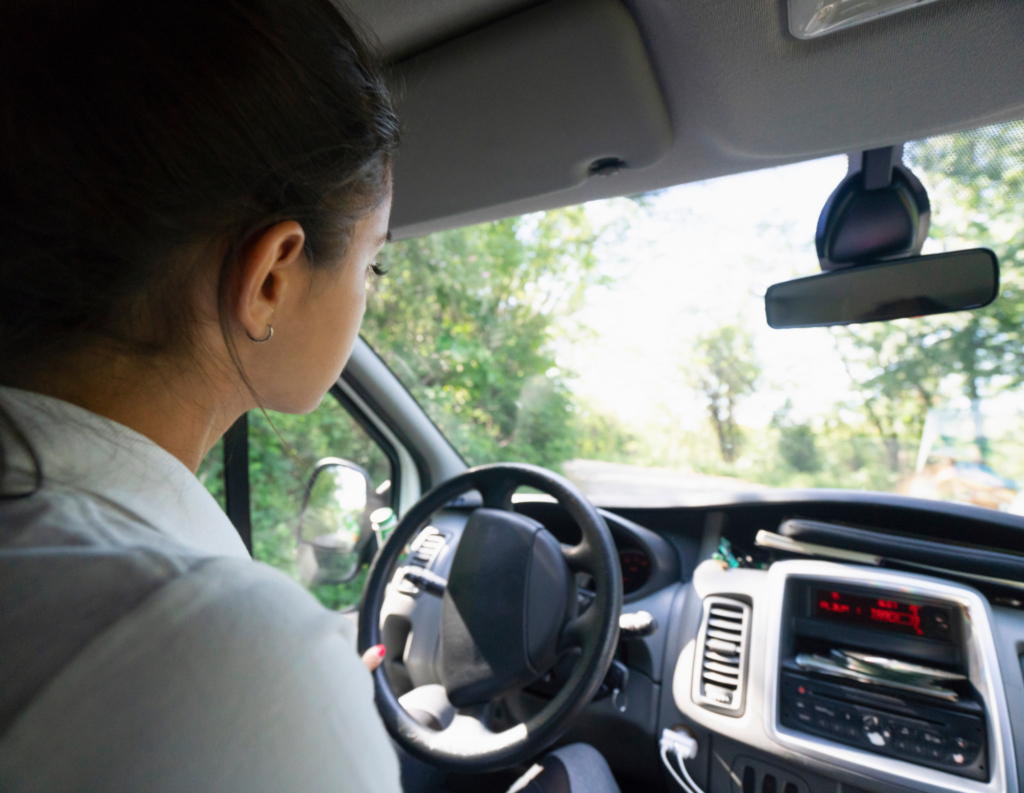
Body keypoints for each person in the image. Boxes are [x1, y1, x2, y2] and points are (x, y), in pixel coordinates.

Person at [0, 2, 622, 792]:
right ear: (270, 277)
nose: (370, 291)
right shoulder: (217, 660)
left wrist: (315, 666)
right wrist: (296, 682)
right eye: (375, 265)